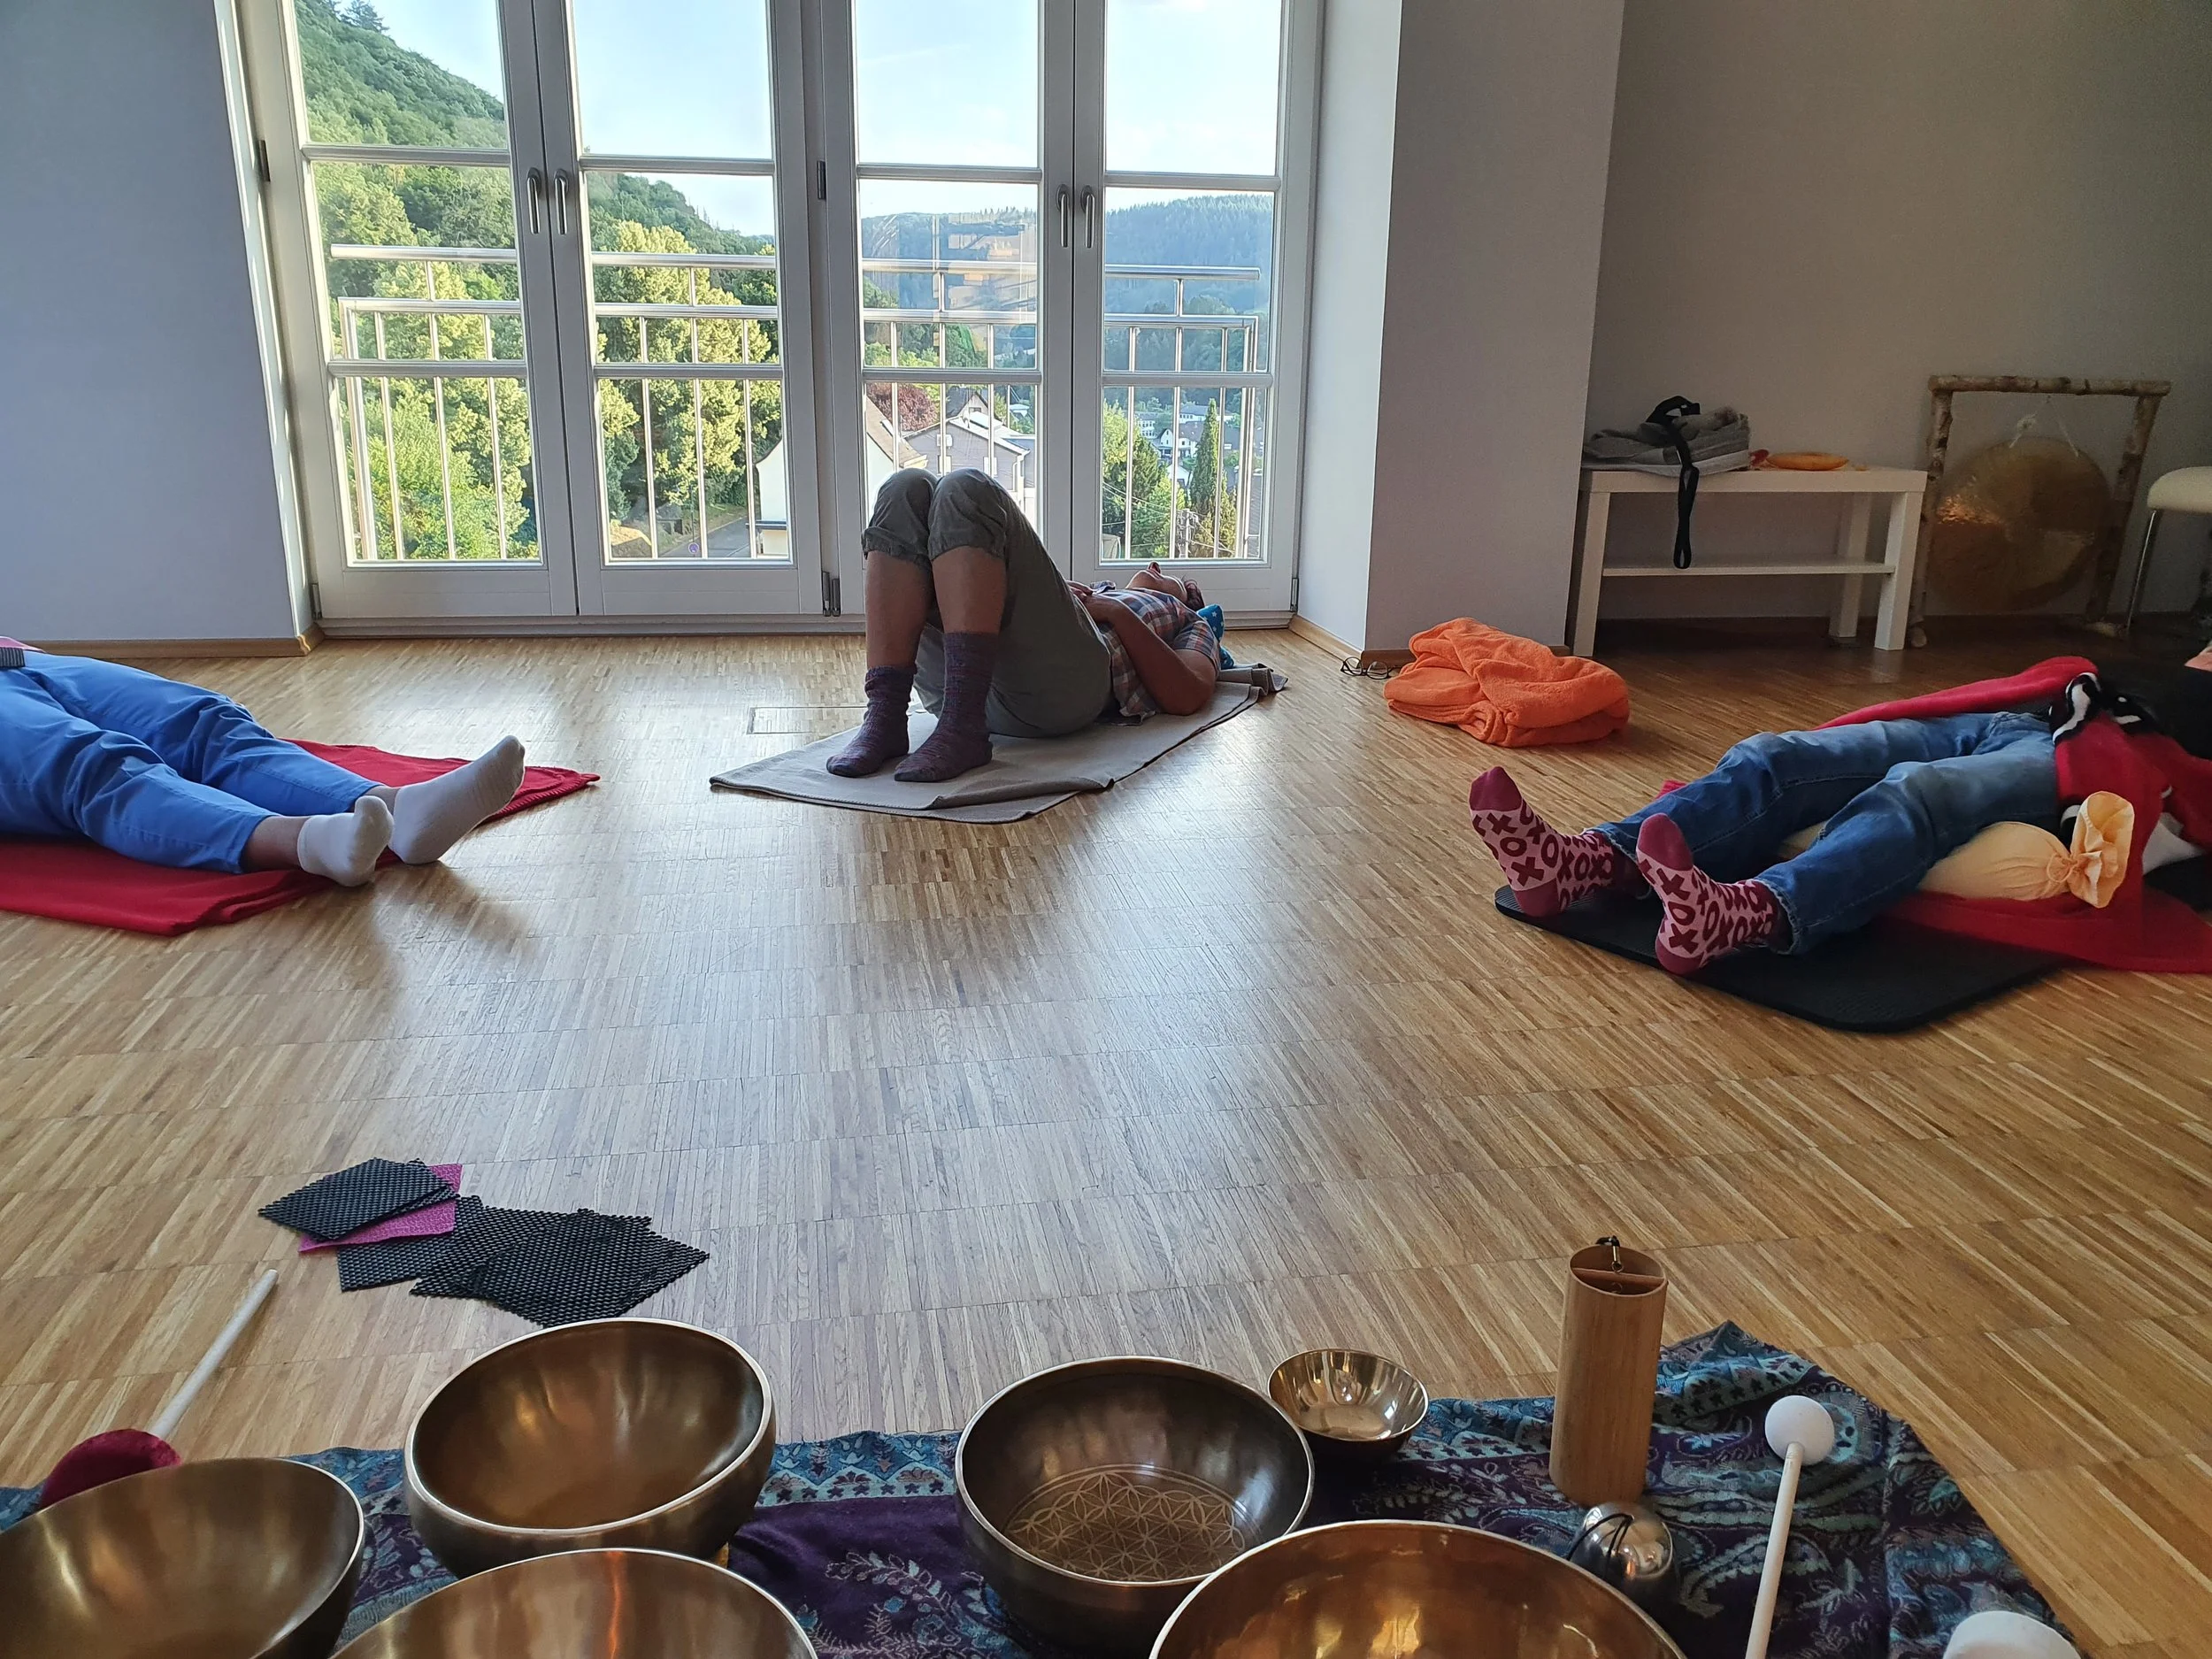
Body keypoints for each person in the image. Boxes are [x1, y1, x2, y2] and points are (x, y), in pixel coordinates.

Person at [1468, 647, 2212, 974]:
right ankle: (1585, 862)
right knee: (1776, 755)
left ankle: (1751, 914)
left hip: (2108, 754)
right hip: (2029, 709)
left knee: (1921, 790)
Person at [0, 643, 526, 885]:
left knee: (203, 721)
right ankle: (306, 842)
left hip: (17, 657)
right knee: (88, 764)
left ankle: (402, 812)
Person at [827, 467, 1219, 782]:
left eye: (1175, 580)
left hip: (1059, 694)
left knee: (968, 488)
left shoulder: (1188, 620)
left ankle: (964, 728)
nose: (1153, 567)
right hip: (953, 690)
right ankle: (886, 715)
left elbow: (1189, 694)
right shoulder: (1095, 592)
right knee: (905, 487)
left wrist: (1118, 612)